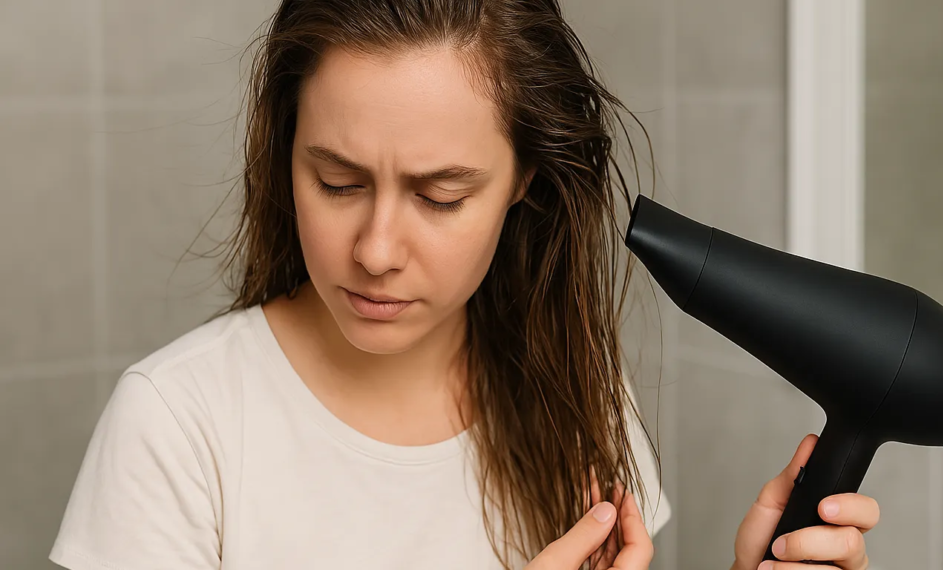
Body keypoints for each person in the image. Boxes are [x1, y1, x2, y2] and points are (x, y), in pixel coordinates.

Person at [49, 1, 881, 569]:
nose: (375, 249)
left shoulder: (577, 390)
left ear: (525, 181)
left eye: (439, 195)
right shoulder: (176, 424)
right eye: (336, 182)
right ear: (284, 152)